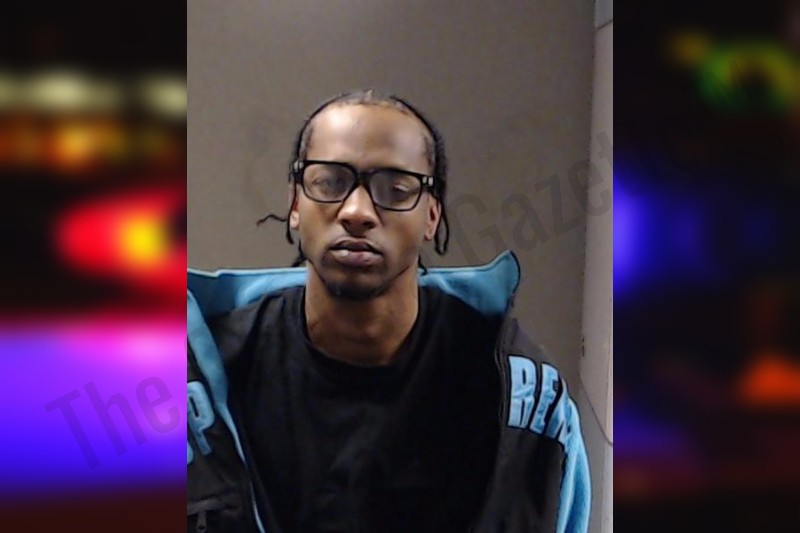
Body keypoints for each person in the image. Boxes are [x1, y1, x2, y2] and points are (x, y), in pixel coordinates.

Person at [187, 90, 590, 533]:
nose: (357, 211)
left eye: (395, 189)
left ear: (432, 215)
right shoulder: (195, 384)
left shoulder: (521, 401)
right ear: (295, 204)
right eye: (329, 183)